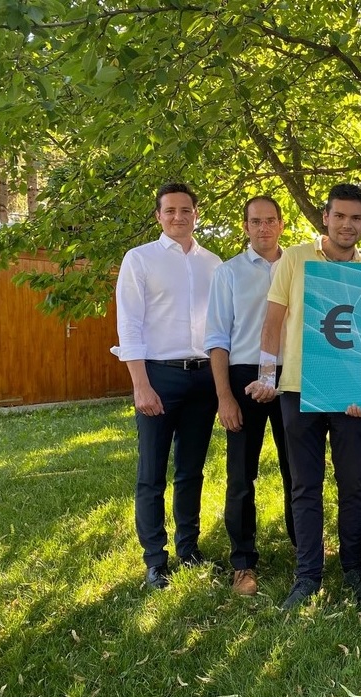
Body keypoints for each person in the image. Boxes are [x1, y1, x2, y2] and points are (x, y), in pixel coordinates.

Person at [248, 183, 361, 609]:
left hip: (351, 395)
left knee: (354, 483)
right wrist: (267, 376)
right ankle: (307, 576)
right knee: (304, 486)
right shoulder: (296, 258)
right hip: (298, 390)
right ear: (326, 217)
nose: (347, 224)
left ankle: (355, 568)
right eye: (340, 216)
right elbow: (272, 322)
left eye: (356, 218)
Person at [113, 182, 221, 589]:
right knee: (152, 472)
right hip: (158, 376)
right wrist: (140, 384)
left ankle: (188, 549)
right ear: (158, 215)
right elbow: (129, 325)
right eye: (170, 210)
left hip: (204, 378)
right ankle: (156, 560)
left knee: (191, 470)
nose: (178, 216)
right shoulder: (139, 259)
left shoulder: (214, 264)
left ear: (196, 214)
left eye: (185, 210)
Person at [204, 196, 296, 597]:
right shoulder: (228, 273)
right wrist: (224, 397)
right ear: (245, 227)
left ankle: (304, 548)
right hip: (243, 377)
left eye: (270, 220)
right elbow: (217, 340)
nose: (264, 228)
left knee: (298, 470)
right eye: (256, 221)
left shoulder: (298, 267)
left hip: (292, 375)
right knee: (241, 475)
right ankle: (243, 562)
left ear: (281, 224)